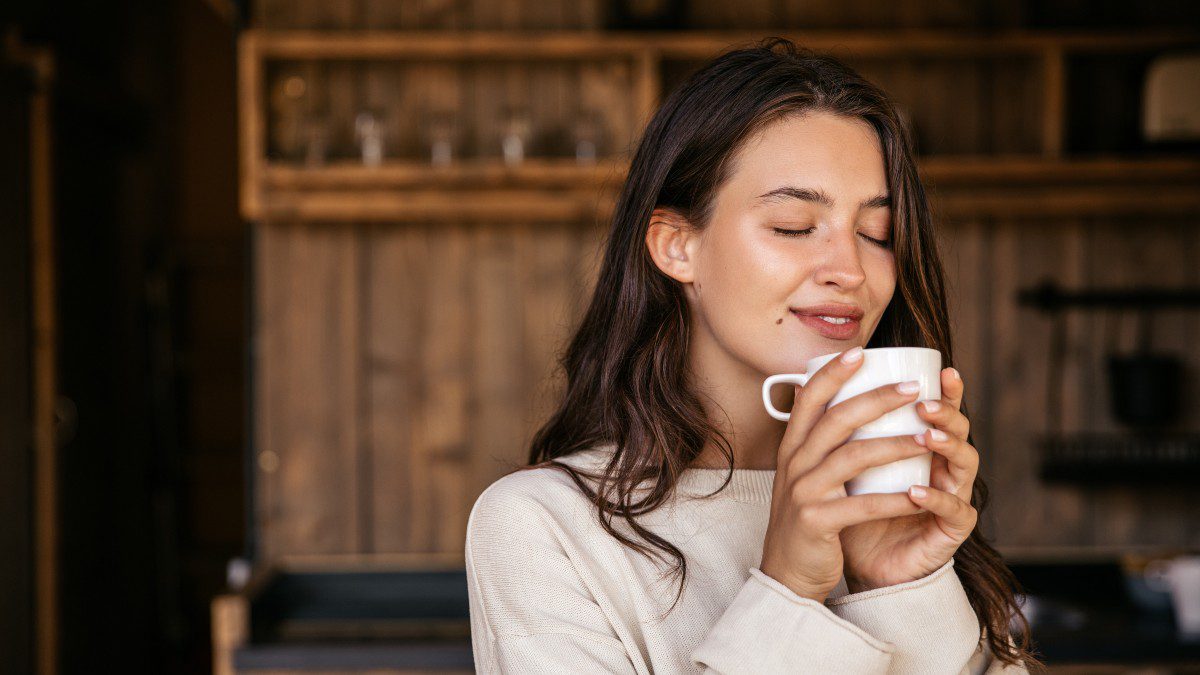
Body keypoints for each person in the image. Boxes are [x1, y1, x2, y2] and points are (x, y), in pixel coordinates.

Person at [465, 37, 1039, 674]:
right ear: (677, 246)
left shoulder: (903, 507)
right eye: (794, 226)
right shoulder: (545, 527)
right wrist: (788, 587)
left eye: (879, 234)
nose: (850, 270)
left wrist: (899, 587)